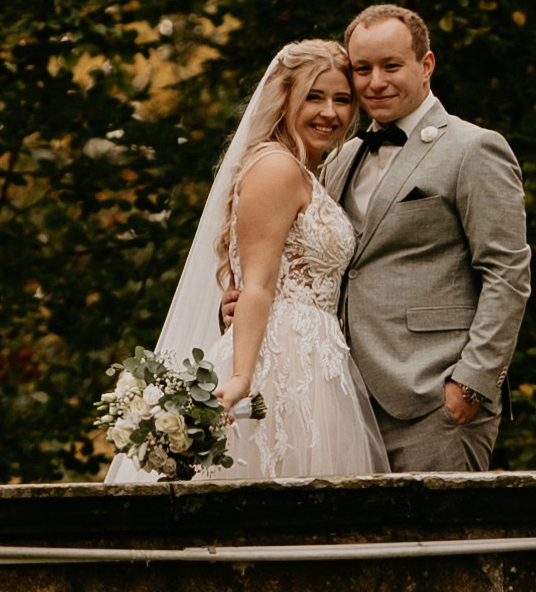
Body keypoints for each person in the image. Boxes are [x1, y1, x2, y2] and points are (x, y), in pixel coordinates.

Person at [110, 38, 389, 483]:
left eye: (341, 100)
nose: (330, 113)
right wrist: (241, 377)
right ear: (284, 100)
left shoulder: (307, 173)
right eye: (314, 97)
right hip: (280, 357)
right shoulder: (276, 168)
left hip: (318, 355)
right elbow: (258, 285)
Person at [321, 4, 529, 473]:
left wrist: (471, 385)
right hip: (346, 400)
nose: (376, 82)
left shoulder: (474, 148)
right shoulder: (340, 158)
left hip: (435, 400)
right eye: (362, 69)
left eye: (391, 66)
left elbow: (507, 274)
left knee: (437, 547)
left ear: (426, 65)